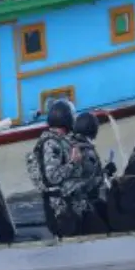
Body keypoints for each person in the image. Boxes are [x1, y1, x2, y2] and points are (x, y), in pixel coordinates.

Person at [25, 100, 99, 237]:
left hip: (70, 207)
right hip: (61, 211)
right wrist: (72, 163)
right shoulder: (50, 143)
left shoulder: (59, 140)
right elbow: (51, 177)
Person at [70, 112, 115, 235]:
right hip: (86, 205)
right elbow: (91, 183)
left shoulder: (70, 144)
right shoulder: (87, 151)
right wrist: (107, 172)